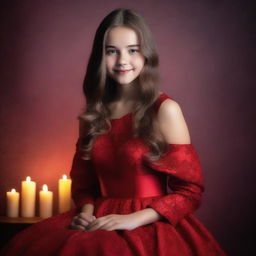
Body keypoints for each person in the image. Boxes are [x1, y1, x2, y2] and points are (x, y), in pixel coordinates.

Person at [0, 8, 227, 256]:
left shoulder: (165, 110)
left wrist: (134, 219)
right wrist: (86, 213)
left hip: (149, 223)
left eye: (132, 50)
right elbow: (83, 185)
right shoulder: (93, 115)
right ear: (100, 56)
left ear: (146, 55)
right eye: (112, 51)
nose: (122, 61)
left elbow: (191, 192)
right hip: (99, 219)